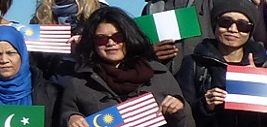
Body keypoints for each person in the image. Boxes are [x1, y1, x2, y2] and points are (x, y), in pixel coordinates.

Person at [58, 7, 192, 127]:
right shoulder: (79, 84)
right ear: (92, 42)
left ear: (129, 37)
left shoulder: (159, 74)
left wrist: (180, 109)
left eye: (118, 37)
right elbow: (66, 114)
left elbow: (188, 123)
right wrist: (71, 118)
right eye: (101, 39)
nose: (111, 43)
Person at [178, 0, 267, 127]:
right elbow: (182, 116)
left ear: (250, 31)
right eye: (225, 22)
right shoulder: (194, 64)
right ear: (215, 25)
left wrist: (260, 85)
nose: (233, 29)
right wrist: (205, 105)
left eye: (243, 25)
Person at [30, 0, 107, 78]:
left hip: (88, 84)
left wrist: (89, 42)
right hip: (50, 86)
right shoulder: (40, 17)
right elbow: (34, 64)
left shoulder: (100, 13)